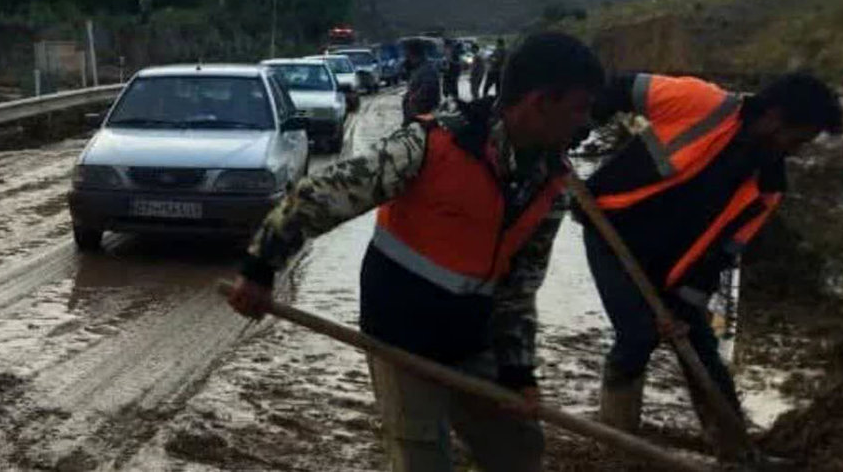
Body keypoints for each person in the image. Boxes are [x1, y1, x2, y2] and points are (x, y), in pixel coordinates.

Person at [228, 32, 606, 472]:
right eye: (578, 108)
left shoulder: (551, 184)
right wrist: (259, 268)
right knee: (422, 458)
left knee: (518, 449)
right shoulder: (430, 145)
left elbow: (520, 288)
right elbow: (319, 195)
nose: (586, 123)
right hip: (400, 337)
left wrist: (518, 372)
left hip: (472, 341)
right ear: (540, 102)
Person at [580, 71, 843, 449]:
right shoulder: (701, 103)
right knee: (638, 334)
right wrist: (575, 133)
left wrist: (685, 305)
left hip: (671, 268)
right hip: (611, 229)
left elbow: (719, 256)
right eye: (797, 139)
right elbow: (620, 89)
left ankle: (733, 444)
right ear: (774, 116)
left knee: (702, 352)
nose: (795, 150)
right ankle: (617, 430)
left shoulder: (769, 186)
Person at [401, 38, 440, 126]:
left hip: (423, 115)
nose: (407, 57)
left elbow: (427, 90)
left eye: (408, 54)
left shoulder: (426, 70)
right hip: (416, 115)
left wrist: (413, 98)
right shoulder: (417, 69)